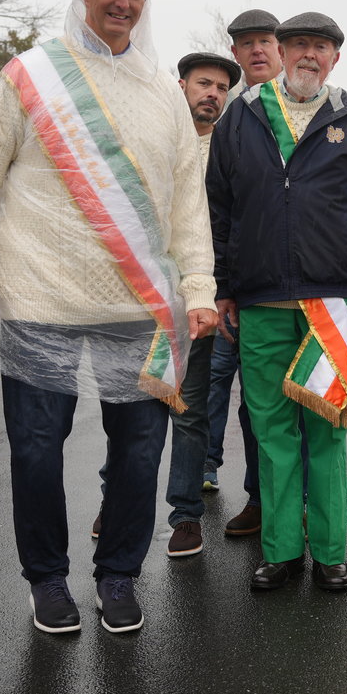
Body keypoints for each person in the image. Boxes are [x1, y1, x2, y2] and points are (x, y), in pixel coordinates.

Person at [0, 0, 217, 634]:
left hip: (143, 308)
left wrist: (200, 286)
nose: (123, 4)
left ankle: (119, 574)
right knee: (36, 449)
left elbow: (188, 200)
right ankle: (46, 580)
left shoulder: (162, 90)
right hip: (41, 301)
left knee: (140, 449)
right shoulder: (30, 76)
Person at [206, 11, 347, 592]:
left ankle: (331, 552)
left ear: (336, 57)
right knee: (272, 432)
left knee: (328, 432)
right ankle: (282, 551)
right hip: (259, 302)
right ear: (279, 52)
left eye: (322, 47)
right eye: (299, 45)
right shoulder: (243, 114)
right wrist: (225, 285)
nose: (310, 55)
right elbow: (221, 206)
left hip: (329, 304)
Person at [89, 49, 243, 559]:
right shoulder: (150, 140)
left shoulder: (232, 151)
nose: (212, 95)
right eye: (204, 84)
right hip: (139, 302)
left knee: (191, 411)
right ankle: (115, 503)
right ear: (181, 87)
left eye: (221, 88)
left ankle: (186, 517)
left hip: (197, 305)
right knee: (129, 408)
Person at [205, 8, 285, 532]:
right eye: (246, 43)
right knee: (256, 408)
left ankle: (300, 504)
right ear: (235, 54)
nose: (256, 50)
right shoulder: (232, 120)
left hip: (311, 290)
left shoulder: (314, 108)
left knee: (305, 404)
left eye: (265, 41)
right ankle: (261, 500)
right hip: (249, 291)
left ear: (281, 50)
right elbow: (221, 209)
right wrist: (222, 287)